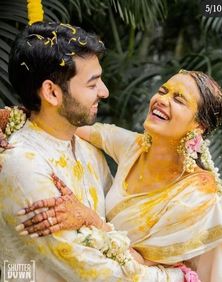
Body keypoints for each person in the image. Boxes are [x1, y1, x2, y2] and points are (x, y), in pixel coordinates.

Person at [0, 22, 186, 281]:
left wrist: (91, 219)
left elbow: (121, 230)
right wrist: (177, 276)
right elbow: (99, 273)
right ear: (52, 93)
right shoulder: (22, 165)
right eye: (92, 84)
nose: (105, 92)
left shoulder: (88, 149)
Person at [7, 70, 222, 281]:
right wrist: (20, 117)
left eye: (178, 99)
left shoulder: (197, 194)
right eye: (163, 90)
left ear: (199, 126)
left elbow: (143, 263)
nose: (162, 100)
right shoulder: (135, 146)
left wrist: (91, 219)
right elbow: (68, 126)